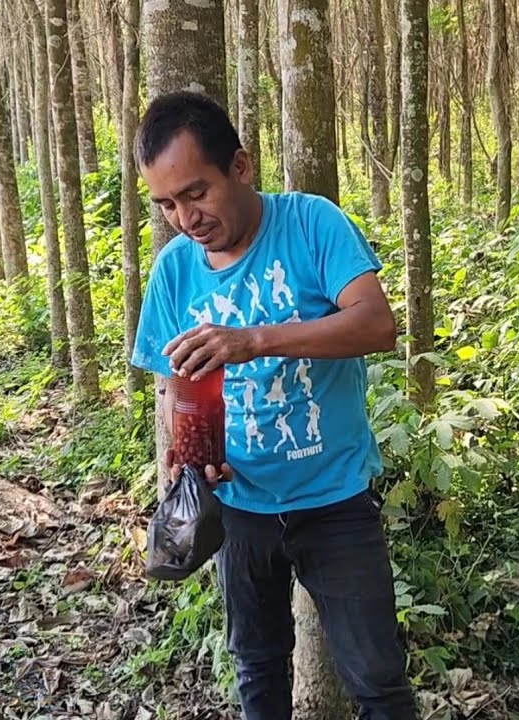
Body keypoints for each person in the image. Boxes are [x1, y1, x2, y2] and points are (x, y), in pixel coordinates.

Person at [129, 90, 416, 720]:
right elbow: (171, 385)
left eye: (196, 192)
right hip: (238, 508)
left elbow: (376, 325)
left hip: (335, 501)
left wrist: (253, 339)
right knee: (257, 666)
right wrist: (183, 461)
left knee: (377, 680)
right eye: (167, 204)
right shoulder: (174, 271)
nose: (185, 217)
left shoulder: (313, 224)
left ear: (241, 167)